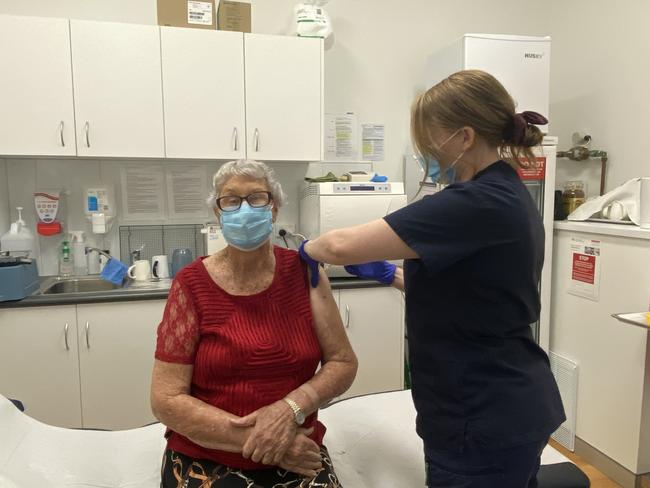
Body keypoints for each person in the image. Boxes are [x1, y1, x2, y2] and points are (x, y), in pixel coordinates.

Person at [299, 70, 566, 487]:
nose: (425, 153)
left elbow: (337, 247)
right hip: (506, 399)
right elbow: (472, 291)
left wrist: (301, 251)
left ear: (464, 137)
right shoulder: (504, 190)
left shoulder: (477, 201)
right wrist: (392, 275)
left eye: (429, 142)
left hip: (483, 413)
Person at [151, 159, 357, 488]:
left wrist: (290, 408)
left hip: (298, 448)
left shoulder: (305, 272)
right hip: (208, 454)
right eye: (231, 200)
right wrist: (267, 442)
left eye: (256, 198)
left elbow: (342, 362)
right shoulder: (191, 284)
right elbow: (166, 399)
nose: (244, 209)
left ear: (273, 209)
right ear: (218, 214)